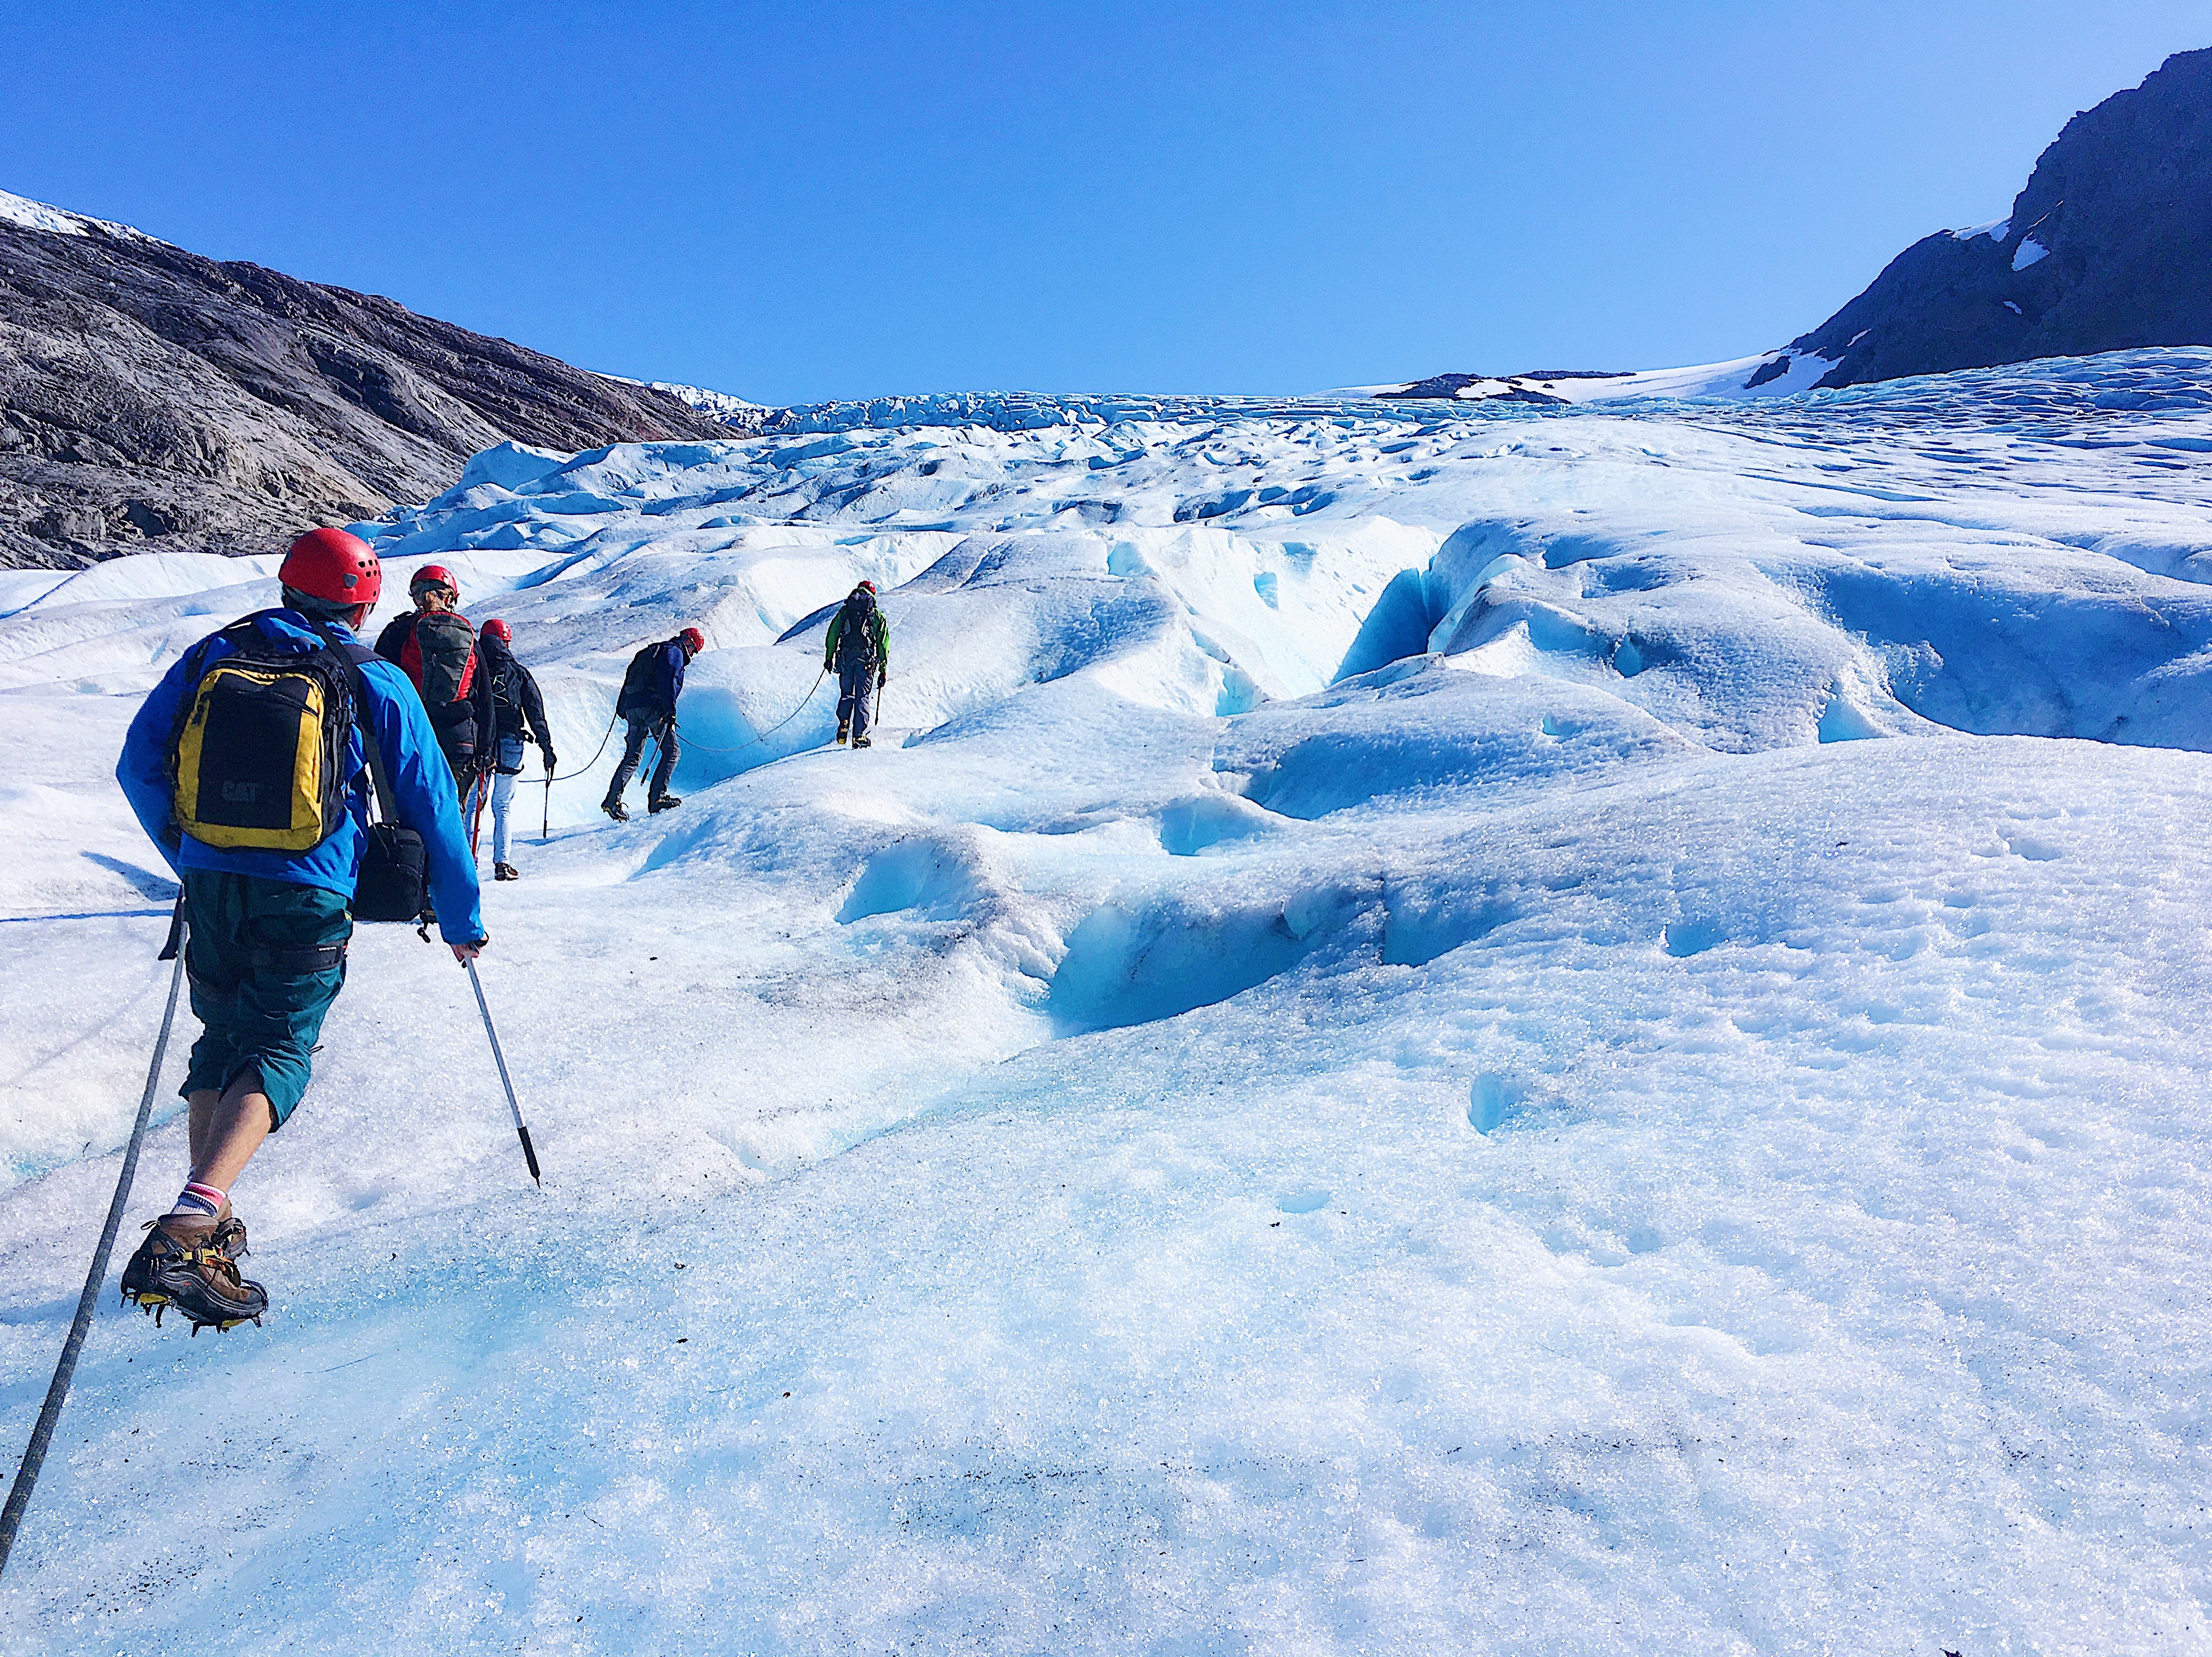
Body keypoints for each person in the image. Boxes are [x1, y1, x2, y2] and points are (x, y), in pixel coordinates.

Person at [114, 528, 486, 1334]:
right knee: (280, 1048)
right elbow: (432, 805)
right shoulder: (372, 676)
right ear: (363, 600)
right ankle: (190, 1225)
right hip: (307, 887)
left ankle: (205, 1231)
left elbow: (138, 762)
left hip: (214, 883)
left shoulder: (215, 653)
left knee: (221, 1041)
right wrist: (461, 918)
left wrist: (191, 855)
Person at [374, 564, 496, 806]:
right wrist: (486, 750)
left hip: (411, 738)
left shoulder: (399, 631)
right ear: (450, 597)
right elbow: (485, 697)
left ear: (418, 596)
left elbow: (377, 683)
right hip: (460, 740)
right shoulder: (467, 634)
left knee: (411, 816)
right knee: (451, 813)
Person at [477, 618, 556, 881]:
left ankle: (468, 860)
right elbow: (535, 712)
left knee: (474, 805)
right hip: (512, 743)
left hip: (481, 744)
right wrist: (547, 747)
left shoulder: (475, 667)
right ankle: (503, 863)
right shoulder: (518, 672)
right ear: (506, 641)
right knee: (503, 806)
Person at [603, 626, 703, 822]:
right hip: (652, 706)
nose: (692, 655)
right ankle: (657, 797)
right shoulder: (674, 653)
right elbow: (668, 682)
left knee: (633, 756)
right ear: (688, 642)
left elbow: (631, 677)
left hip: (633, 706)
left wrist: (623, 707)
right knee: (672, 751)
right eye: (694, 650)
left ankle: (612, 800)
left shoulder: (655, 651)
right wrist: (670, 711)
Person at [823, 580, 890, 749]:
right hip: (866, 662)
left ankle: (844, 723)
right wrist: (883, 670)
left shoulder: (846, 611)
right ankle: (859, 735)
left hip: (846, 660)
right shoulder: (876, 615)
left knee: (847, 693)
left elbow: (832, 634)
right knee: (862, 696)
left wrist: (829, 658)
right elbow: (883, 644)